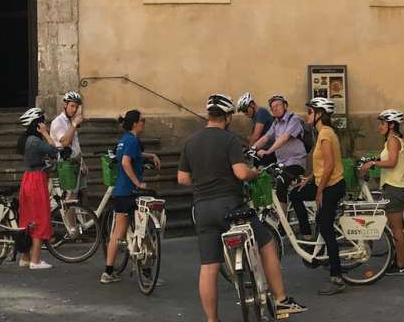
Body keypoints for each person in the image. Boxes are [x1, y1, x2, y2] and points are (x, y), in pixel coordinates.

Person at [177, 94, 306, 321]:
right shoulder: (229, 139)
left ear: (209, 115)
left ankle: (212, 319)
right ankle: (281, 299)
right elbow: (241, 173)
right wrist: (254, 173)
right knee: (266, 243)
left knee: (209, 267)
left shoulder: (191, 141)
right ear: (227, 117)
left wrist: (203, 181)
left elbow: (182, 178)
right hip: (230, 206)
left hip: (203, 210)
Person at [289, 97, 346, 295]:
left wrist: (319, 191)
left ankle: (336, 277)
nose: (308, 116)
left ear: (320, 114)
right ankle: (308, 236)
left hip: (332, 186)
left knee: (326, 226)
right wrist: (310, 178)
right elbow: (323, 164)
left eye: (311, 112)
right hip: (324, 182)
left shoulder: (325, 134)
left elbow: (330, 165)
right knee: (295, 194)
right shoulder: (323, 132)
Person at [100, 110, 162, 284]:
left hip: (120, 192)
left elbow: (129, 156)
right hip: (130, 192)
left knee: (117, 233)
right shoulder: (133, 140)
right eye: (142, 120)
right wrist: (138, 183)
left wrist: (150, 155)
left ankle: (108, 271)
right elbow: (126, 162)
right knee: (145, 229)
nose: (144, 123)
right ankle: (148, 272)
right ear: (135, 123)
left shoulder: (124, 140)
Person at [358, 109, 404, 275]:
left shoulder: (393, 140)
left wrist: (373, 164)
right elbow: (388, 159)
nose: (379, 127)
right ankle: (399, 259)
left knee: (396, 229)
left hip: (395, 188)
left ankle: (401, 265)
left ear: (391, 125)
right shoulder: (391, 140)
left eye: (382, 123)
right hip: (393, 186)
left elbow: (392, 162)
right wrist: (373, 161)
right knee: (395, 227)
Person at [16, 108, 57, 270]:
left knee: (27, 219)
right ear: (36, 123)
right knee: (40, 218)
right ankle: (35, 260)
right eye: (42, 121)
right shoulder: (35, 140)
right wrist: (46, 134)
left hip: (27, 178)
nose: (44, 123)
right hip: (37, 180)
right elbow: (53, 149)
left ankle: (25, 258)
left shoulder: (26, 139)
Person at [254, 94, 309, 214]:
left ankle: (282, 222)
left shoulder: (293, 120)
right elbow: (266, 137)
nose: (275, 108)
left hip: (295, 162)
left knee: (281, 184)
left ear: (285, 106)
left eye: (278, 105)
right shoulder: (276, 123)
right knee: (267, 178)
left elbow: (284, 138)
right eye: (272, 107)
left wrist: (268, 151)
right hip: (282, 163)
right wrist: (253, 148)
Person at [50, 90, 87, 202]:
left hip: (76, 162)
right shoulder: (58, 122)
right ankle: (70, 219)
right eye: (72, 106)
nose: (74, 109)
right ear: (65, 105)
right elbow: (65, 142)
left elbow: (75, 144)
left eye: (76, 106)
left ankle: (83, 219)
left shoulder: (70, 121)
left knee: (83, 193)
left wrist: (83, 162)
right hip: (65, 164)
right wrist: (75, 124)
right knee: (70, 198)